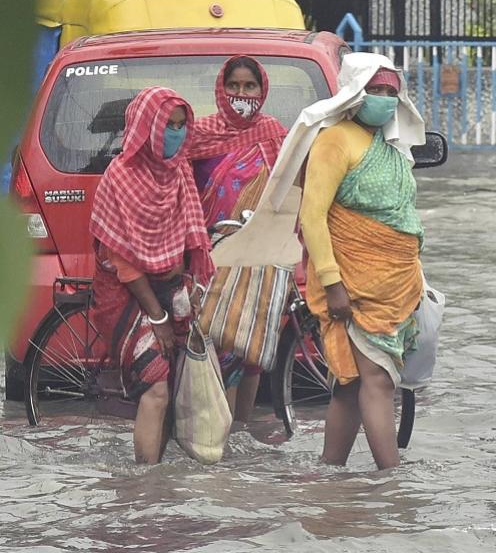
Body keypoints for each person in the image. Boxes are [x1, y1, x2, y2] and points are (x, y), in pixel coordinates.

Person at [292, 53, 427, 471]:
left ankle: (330, 471)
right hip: (353, 285)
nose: (384, 98)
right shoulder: (335, 140)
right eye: (375, 90)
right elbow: (313, 216)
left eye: (390, 92)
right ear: (354, 94)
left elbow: (401, 215)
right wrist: (332, 282)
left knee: (351, 385)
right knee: (377, 380)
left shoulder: (391, 147)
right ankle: (391, 480)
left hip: (395, 285)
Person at [89, 86, 215, 464]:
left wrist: (188, 282)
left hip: (170, 287)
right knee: (157, 389)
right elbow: (122, 261)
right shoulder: (119, 176)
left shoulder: (179, 171)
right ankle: (145, 485)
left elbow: (189, 234)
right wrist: (158, 318)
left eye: (180, 125)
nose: (175, 133)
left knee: (174, 387)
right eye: (166, 125)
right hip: (126, 292)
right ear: (146, 128)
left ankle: (159, 473)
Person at [188, 55, 288, 421]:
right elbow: (184, 191)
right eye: (233, 86)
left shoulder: (274, 134)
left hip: (260, 254)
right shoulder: (200, 135)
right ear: (221, 88)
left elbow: (286, 191)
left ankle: (243, 429)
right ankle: (220, 429)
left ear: (262, 90)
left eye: (249, 86)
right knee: (222, 343)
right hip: (213, 255)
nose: (241, 94)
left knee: (252, 348)